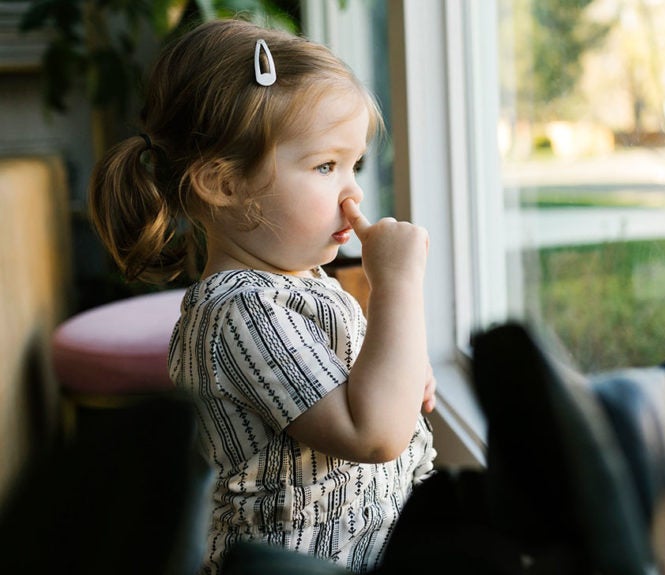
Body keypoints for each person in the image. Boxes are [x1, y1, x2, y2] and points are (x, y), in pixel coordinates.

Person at [88, 18, 437, 574]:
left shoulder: (295, 283)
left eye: (355, 165)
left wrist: (396, 363)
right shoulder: (239, 310)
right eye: (326, 166)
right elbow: (371, 435)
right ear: (224, 184)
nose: (354, 192)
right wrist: (397, 285)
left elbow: (363, 396)